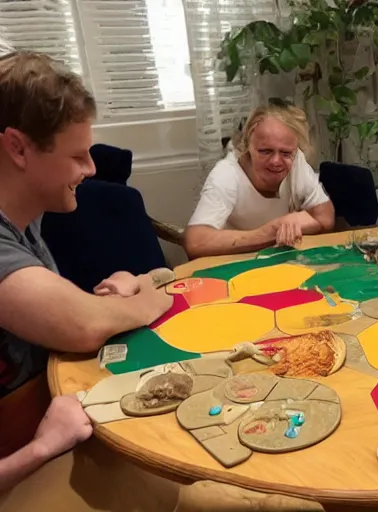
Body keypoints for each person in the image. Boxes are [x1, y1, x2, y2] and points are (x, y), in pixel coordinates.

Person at [0, 50, 173, 491]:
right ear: (17, 148)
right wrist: (40, 449)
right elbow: (81, 325)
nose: (92, 169)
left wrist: (119, 289)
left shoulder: (26, 220)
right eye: (78, 157)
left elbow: (63, 314)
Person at [183, 102, 335, 259]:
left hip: (280, 261)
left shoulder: (297, 162)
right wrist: (270, 232)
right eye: (265, 151)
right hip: (235, 262)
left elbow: (325, 217)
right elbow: (196, 242)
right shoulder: (226, 174)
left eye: (285, 153)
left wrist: (291, 221)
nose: (276, 161)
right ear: (248, 145)